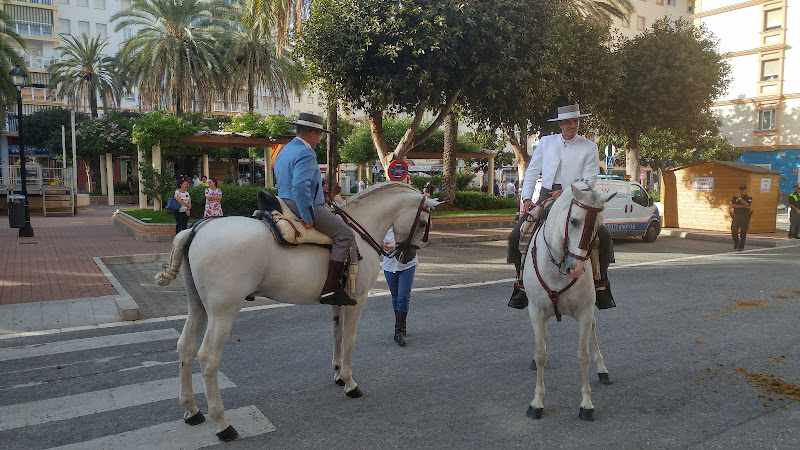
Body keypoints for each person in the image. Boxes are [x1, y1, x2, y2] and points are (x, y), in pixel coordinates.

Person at [507, 103, 613, 309]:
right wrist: (527, 197)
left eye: (575, 121)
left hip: (575, 198)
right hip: (546, 196)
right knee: (516, 235)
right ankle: (521, 283)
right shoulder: (545, 143)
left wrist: (565, 192)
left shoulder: (589, 147)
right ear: (560, 124)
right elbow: (532, 171)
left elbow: (590, 179)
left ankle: (601, 285)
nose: (572, 125)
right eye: (567, 121)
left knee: (605, 237)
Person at [274, 112, 357, 306]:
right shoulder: (306, 152)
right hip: (300, 204)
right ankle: (330, 289)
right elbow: (300, 187)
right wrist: (307, 216)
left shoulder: (285, 149)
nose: (320, 139)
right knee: (345, 234)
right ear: (311, 132)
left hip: (283, 201)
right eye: (319, 134)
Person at [383, 226, 418, 347]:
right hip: (388, 264)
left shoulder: (407, 219)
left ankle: (398, 331)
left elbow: (416, 238)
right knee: (395, 297)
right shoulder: (384, 219)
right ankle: (401, 323)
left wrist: (398, 246)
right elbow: (375, 238)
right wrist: (382, 246)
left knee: (403, 296)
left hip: (407, 263)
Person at [730, 185, 752, 250]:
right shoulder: (735, 197)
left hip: (744, 216)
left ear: (746, 190)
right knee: (733, 230)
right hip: (736, 215)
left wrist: (740, 200)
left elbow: (748, 206)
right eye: (741, 190)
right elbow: (733, 205)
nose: (742, 191)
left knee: (743, 231)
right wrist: (743, 205)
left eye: (743, 190)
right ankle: (736, 242)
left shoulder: (749, 197)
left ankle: (741, 246)